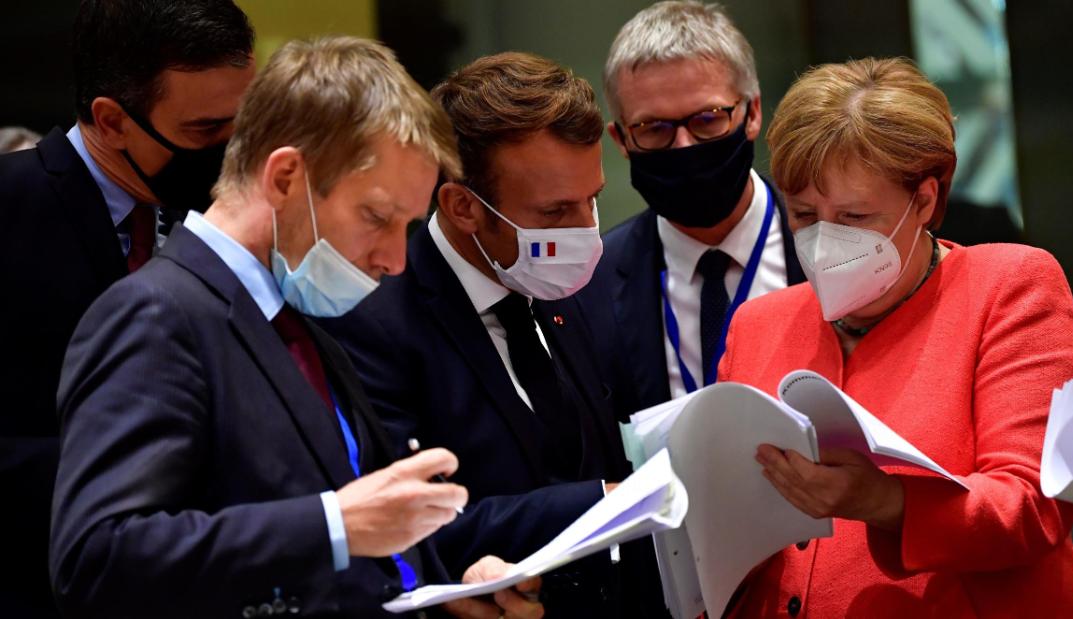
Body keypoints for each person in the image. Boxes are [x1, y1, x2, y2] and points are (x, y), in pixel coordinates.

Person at [50, 36, 543, 619]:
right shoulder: (156, 313)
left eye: (406, 226)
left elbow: (352, 540)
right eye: (377, 218)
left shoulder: (303, 320)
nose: (395, 260)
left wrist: (446, 581)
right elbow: (96, 557)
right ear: (285, 178)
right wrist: (335, 523)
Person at [718, 57, 1073, 617]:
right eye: (803, 215)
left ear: (924, 199)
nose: (823, 242)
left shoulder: (1015, 285)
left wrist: (885, 502)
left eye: (855, 216)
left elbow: (1042, 505)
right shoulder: (758, 322)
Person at [320, 52, 641, 617]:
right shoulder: (372, 321)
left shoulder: (565, 281)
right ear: (463, 206)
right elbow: (400, 528)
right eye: (555, 211)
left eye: (591, 198)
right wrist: (606, 503)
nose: (585, 231)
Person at [0, 2, 254, 616]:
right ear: (110, 121)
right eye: (204, 132)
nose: (231, 156)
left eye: (243, 128)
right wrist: (176, 466)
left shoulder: (245, 221)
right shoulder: (10, 209)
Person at [578, 0, 805, 421]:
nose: (684, 146)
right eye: (654, 129)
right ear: (620, 140)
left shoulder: (826, 249)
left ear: (752, 112)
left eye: (707, 119)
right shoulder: (589, 283)